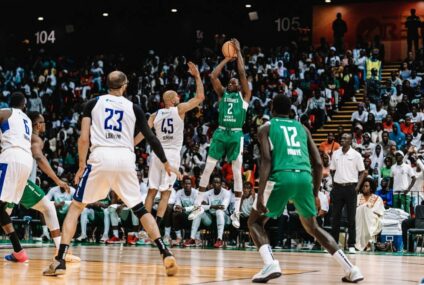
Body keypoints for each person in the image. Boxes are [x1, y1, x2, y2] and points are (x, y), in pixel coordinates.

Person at [43, 71, 178, 276]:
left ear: (107, 84)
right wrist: (166, 162)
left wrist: (81, 166)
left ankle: (60, 259)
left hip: (100, 156)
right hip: (125, 158)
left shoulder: (92, 103)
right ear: (124, 85)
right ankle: (165, 251)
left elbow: (83, 139)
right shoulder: (134, 107)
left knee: (76, 207)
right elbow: (150, 137)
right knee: (141, 210)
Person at [247, 94, 363, 283]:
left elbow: (266, 160)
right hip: (304, 177)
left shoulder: (265, 128)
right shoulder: (303, 128)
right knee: (313, 227)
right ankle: (351, 269)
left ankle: (270, 264)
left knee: (255, 222)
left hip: (281, 176)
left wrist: (260, 193)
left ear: (272, 109)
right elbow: (317, 164)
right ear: (290, 111)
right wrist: (315, 193)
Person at [189, 38, 251, 230]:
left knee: (236, 172)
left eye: (235, 82)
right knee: (207, 168)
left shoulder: (244, 97)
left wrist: (238, 53)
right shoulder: (222, 94)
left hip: (235, 135)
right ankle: (198, 205)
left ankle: (236, 211)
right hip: (221, 133)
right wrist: (226, 58)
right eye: (230, 81)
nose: (232, 82)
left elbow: (241, 72)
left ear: (239, 87)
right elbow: (214, 76)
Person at [4, 112, 79, 262]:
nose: (45, 125)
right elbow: (39, 157)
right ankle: (59, 250)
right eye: (43, 122)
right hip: (19, 179)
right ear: (37, 125)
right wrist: (57, 180)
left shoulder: (16, 136)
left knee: (4, 214)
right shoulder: (34, 138)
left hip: (12, 176)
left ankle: (19, 252)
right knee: (48, 208)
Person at [143, 62, 204, 233]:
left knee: (151, 191)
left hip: (157, 153)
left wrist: (130, 144)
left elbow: (145, 134)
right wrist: (197, 76)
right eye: (177, 97)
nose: (179, 98)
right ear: (171, 100)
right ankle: (155, 227)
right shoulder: (180, 110)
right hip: (172, 154)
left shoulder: (154, 115)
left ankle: (144, 228)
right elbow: (200, 98)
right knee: (165, 194)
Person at [0, 92, 34, 263]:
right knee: (1, 208)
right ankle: (19, 251)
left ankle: (19, 250)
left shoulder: (5, 112)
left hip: (10, 157)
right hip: (26, 161)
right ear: (24, 104)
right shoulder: (27, 120)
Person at [330, 133, 366, 254]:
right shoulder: (335, 153)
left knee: (351, 218)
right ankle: (334, 245)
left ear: (351, 141)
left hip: (351, 188)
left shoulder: (356, 155)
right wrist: (335, 182)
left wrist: (357, 187)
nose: (342, 139)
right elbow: (332, 170)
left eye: (345, 138)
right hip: (338, 188)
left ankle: (351, 244)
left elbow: (363, 172)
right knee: (335, 217)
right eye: (342, 138)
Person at [190, 175, 231, 248]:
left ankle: (219, 240)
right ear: (211, 183)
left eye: (218, 182)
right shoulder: (207, 193)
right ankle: (192, 238)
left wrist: (208, 206)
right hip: (211, 219)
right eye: (214, 182)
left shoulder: (226, 193)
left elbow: (223, 207)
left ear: (221, 184)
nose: (216, 184)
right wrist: (211, 206)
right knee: (198, 211)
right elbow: (199, 206)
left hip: (225, 219)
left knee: (219, 211)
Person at [355, 177, 385, 251]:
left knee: (366, 211)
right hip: (359, 219)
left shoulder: (378, 198)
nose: (364, 188)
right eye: (363, 186)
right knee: (361, 211)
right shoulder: (358, 197)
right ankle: (359, 243)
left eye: (366, 186)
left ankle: (368, 242)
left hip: (372, 219)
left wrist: (366, 209)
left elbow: (378, 212)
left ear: (371, 188)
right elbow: (354, 209)